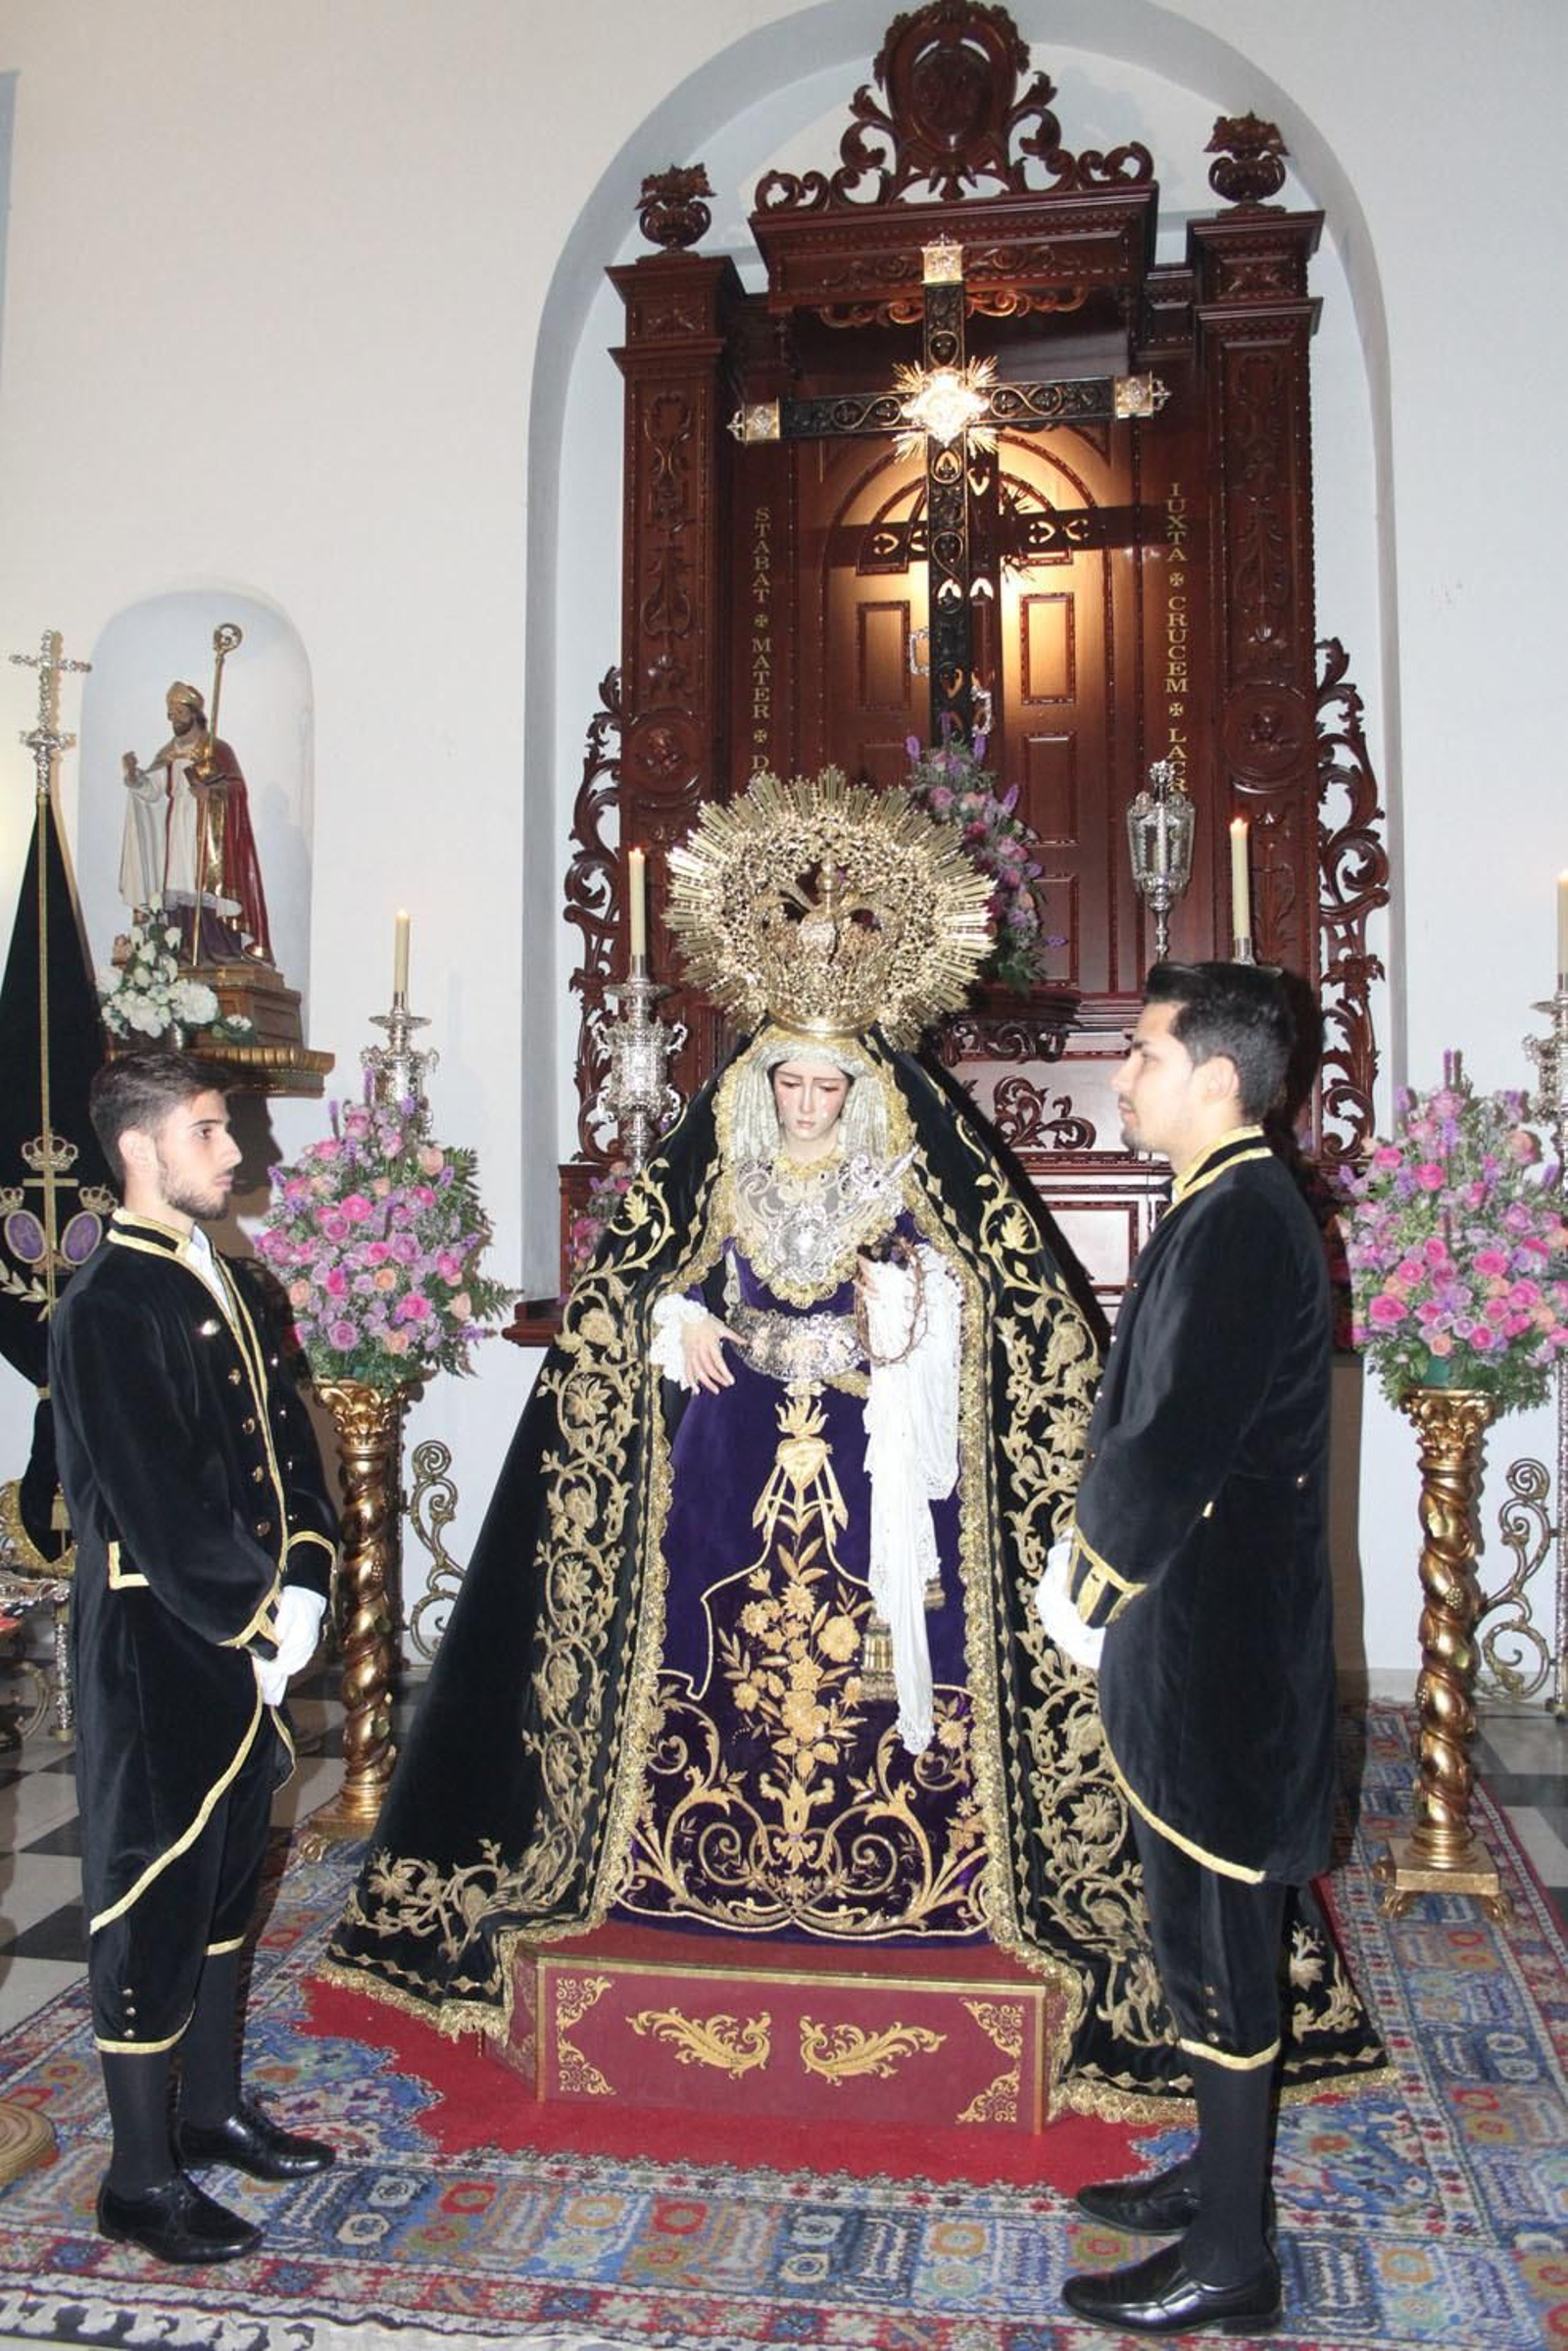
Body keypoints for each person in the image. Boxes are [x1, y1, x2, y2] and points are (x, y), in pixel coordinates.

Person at [328, 776, 1382, 2117]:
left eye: (834, 1076)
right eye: (794, 1076)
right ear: (763, 1076)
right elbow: (638, 1280)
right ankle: (672, 1873)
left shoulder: (924, 1165)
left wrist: (920, 1318)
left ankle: (948, 1896)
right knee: (708, 1660)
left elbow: (1012, 1321)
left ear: (867, 1079)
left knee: (896, 1681)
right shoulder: (715, 1158)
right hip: (724, 1468)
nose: (814, 1095)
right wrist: (664, 1319)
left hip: (885, 1475)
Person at [1042, 960, 1346, 2336]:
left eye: (1145, 1052)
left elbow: (1174, 1442)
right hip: (1213, 1625)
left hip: (1218, 1645)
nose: (1123, 1073)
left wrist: (1092, 1580)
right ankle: (1224, 2182)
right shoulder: (1228, 1199)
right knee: (1203, 1933)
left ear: (1217, 1076)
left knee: (1220, 1936)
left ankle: (1234, 2256)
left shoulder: (1236, 1218)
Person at [48, 1051, 338, 2264]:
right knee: (149, 1896)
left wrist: (311, 1574)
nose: (235, 1154)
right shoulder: (108, 1304)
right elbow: (158, 1504)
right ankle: (139, 2174)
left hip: (241, 1637)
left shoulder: (235, 1279)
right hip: (160, 1645)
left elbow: (287, 1448)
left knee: (226, 1881)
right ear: (141, 1150)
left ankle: (211, 2109)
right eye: (210, 1132)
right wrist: (256, 1616)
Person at [120, 682, 273, 963]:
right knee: (179, 883)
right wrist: (134, 777)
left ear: (194, 713)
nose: (174, 717)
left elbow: (237, 789)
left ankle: (217, 949)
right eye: (170, 713)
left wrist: (211, 794)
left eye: (179, 711)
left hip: (210, 831)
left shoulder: (217, 750)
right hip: (178, 824)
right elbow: (152, 792)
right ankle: (184, 950)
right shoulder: (168, 753)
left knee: (203, 885)